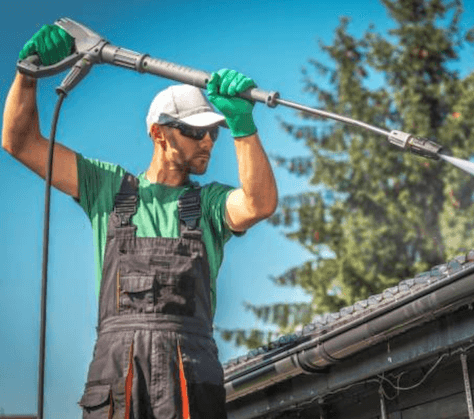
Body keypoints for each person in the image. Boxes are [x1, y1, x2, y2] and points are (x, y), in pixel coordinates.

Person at [3, 24, 278, 418]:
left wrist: (243, 127)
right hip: (119, 371)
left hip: (190, 370)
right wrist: (27, 76)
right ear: (158, 133)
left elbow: (258, 203)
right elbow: (21, 142)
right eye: (194, 132)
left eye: (213, 134)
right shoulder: (107, 188)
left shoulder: (210, 204)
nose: (207, 143)